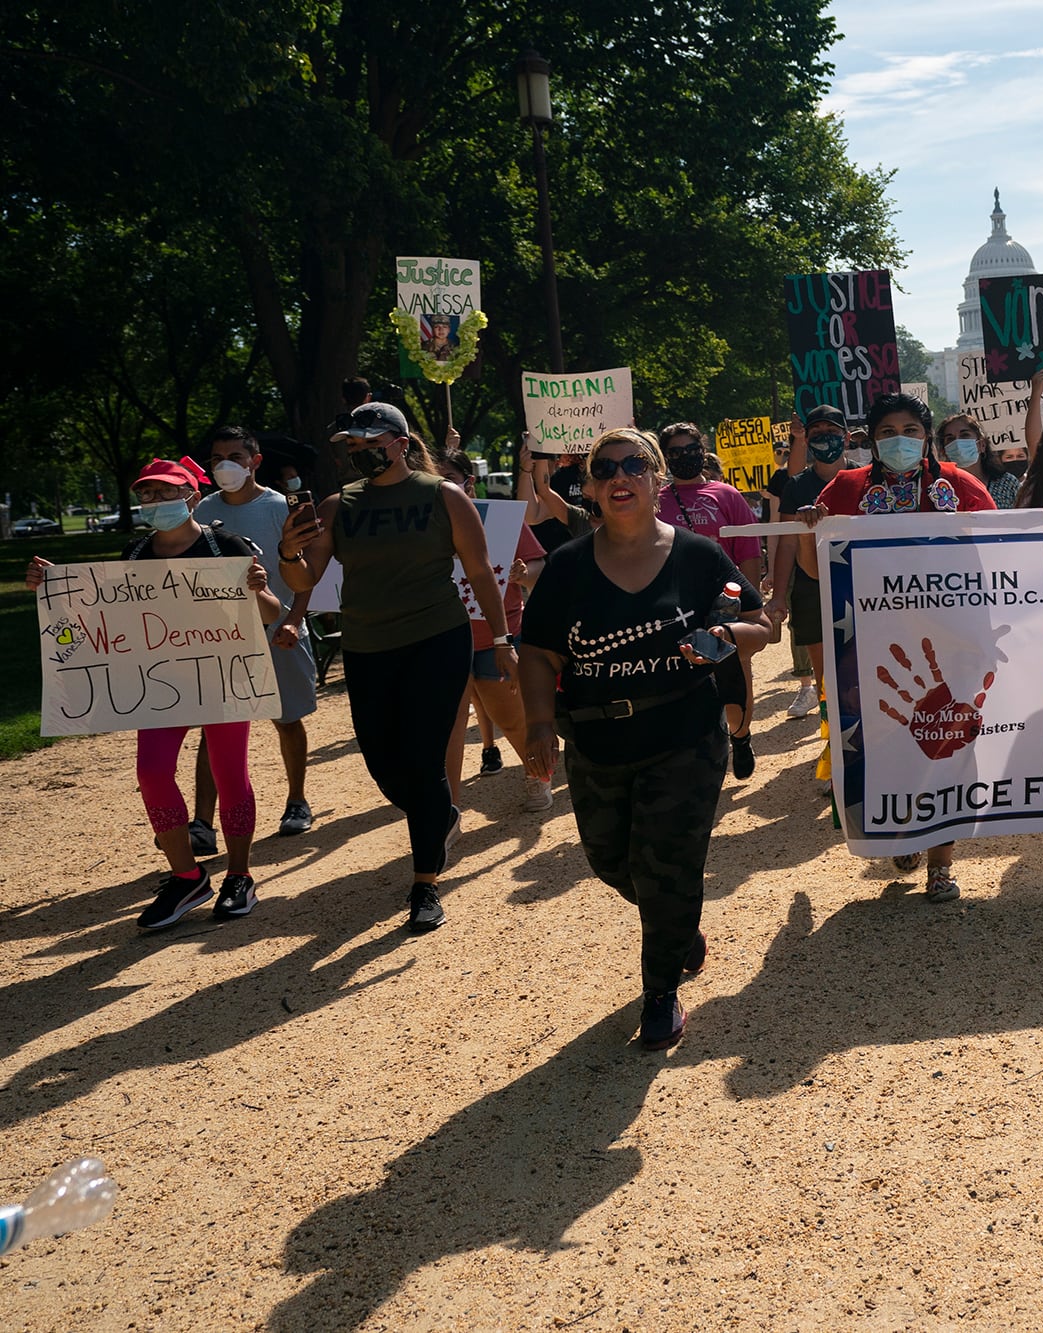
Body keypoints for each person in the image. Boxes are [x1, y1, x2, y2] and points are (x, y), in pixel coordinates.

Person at [517, 427, 770, 1051]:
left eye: (634, 465)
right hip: (597, 742)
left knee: (666, 867)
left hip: (684, 734)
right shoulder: (568, 566)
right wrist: (540, 724)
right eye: (605, 469)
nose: (619, 476)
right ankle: (678, 927)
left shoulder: (698, 557)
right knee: (612, 864)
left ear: (657, 478)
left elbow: (761, 621)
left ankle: (660, 990)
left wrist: (727, 637)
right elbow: (537, 653)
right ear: (591, 488)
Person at [277, 402, 512, 932]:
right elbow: (303, 580)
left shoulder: (443, 496)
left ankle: (425, 882)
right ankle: (440, 814)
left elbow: (478, 571)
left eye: (369, 443)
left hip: (436, 640)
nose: (360, 453)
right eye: (352, 447)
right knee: (383, 761)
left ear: (401, 443)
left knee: (426, 758)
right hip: (368, 646)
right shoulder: (339, 507)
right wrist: (289, 553)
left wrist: (501, 640)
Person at [26, 458, 284, 927]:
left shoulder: (223, 545)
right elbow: (95, 625)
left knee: (230, 776)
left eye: (164, 493)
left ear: (189, 497)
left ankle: (240, 875)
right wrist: (51, 595)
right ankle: (187, 877)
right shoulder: (136, 553)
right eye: (146, 495)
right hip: (159, 686)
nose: (153, 503)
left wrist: (259, 590)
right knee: (152, 773)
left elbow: (269, 614)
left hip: (222, 680)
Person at [797, 391, 996, 904]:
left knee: (948, 741)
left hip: (953, 646)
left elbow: (1000, 555)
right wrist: (808, 532)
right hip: (876, 653)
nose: (900, 441)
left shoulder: (959, 484)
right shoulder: (845, 489)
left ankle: (941, 861)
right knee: (889, 741)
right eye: (887, 432)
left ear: (926, 437)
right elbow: (817, 569)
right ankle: (904, 827)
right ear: (871, 439)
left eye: (911, 430)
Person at [189, 426, 318, 846]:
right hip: (222, 638)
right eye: (217, 457)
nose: (225, 464)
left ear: (255, 461)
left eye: (236, 456)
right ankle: (202, 824)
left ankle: (297, 800)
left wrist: (293, 621)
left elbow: (307, 576)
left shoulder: (282, 508)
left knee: (287, 719)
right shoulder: (201, 512)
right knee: (216, 728)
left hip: (279, 631)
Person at [434, 447, 550, 810]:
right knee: (444, 730)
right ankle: (447, 807)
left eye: (448, 479)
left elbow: (538, 564)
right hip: (440, 639)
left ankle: (538, 776)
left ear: (469, 483)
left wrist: (523, 574)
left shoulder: (500, 520)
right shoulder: (421, 524)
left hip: (495, 639)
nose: (441, 488)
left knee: (512, 721)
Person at [656, 423, 766, 777]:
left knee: (732, 673)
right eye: (675, 452)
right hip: (674, 606)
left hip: (724, 606)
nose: (684, 457)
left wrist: (750, 605)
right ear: (664, 457)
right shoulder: (655, 499)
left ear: (702, 451)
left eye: (691, 449)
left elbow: (748, 550)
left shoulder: (726, 495)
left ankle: (741, 736)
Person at [767, 405, 850, 720]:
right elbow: (788, 542)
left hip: (856, 582)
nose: (825, 438)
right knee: (825, 672)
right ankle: (832, 738)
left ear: (845, 436)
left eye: (831, 432)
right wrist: (777, 596)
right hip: (809, 586)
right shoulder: (797, 485)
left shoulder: (864, 478)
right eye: (817, 433)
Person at [937, 411, 1023, 510]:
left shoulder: (1007, 484)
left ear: (981, 445)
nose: (957, 442)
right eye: (950, 438)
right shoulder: (941, 487)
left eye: (964, 435)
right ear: (944, 451)